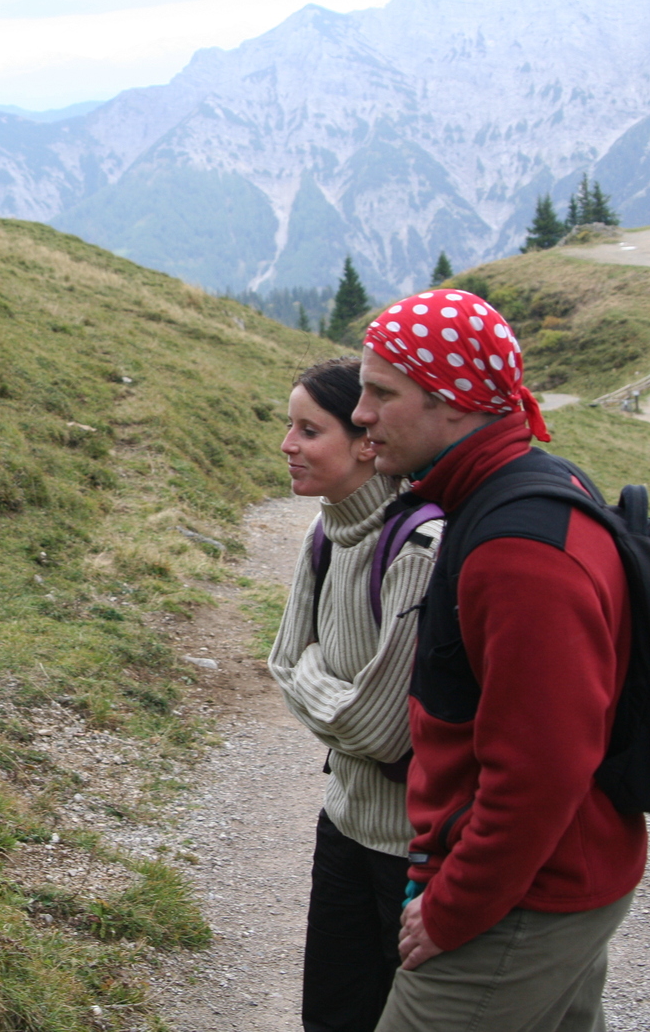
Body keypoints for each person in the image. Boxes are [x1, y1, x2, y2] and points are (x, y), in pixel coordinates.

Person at [354, 290, 646, 1031]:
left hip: (525, 896)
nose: (361, 414)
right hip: (554, 878)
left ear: (452, 403)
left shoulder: (519, 550)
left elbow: (543, 769)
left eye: (381, 393)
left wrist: (453, 908)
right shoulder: (518, 489)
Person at [268, 357, 441, 1032]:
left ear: (366, 443)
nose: (287, 444)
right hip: (343, 823)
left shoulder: (419, 547)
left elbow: (383, 732)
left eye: (309, 430)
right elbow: (282, 662)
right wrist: (334, 691)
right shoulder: (326, 531)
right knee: (332, 1018)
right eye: (290, 426)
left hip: (413, 852)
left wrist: (314, 678)